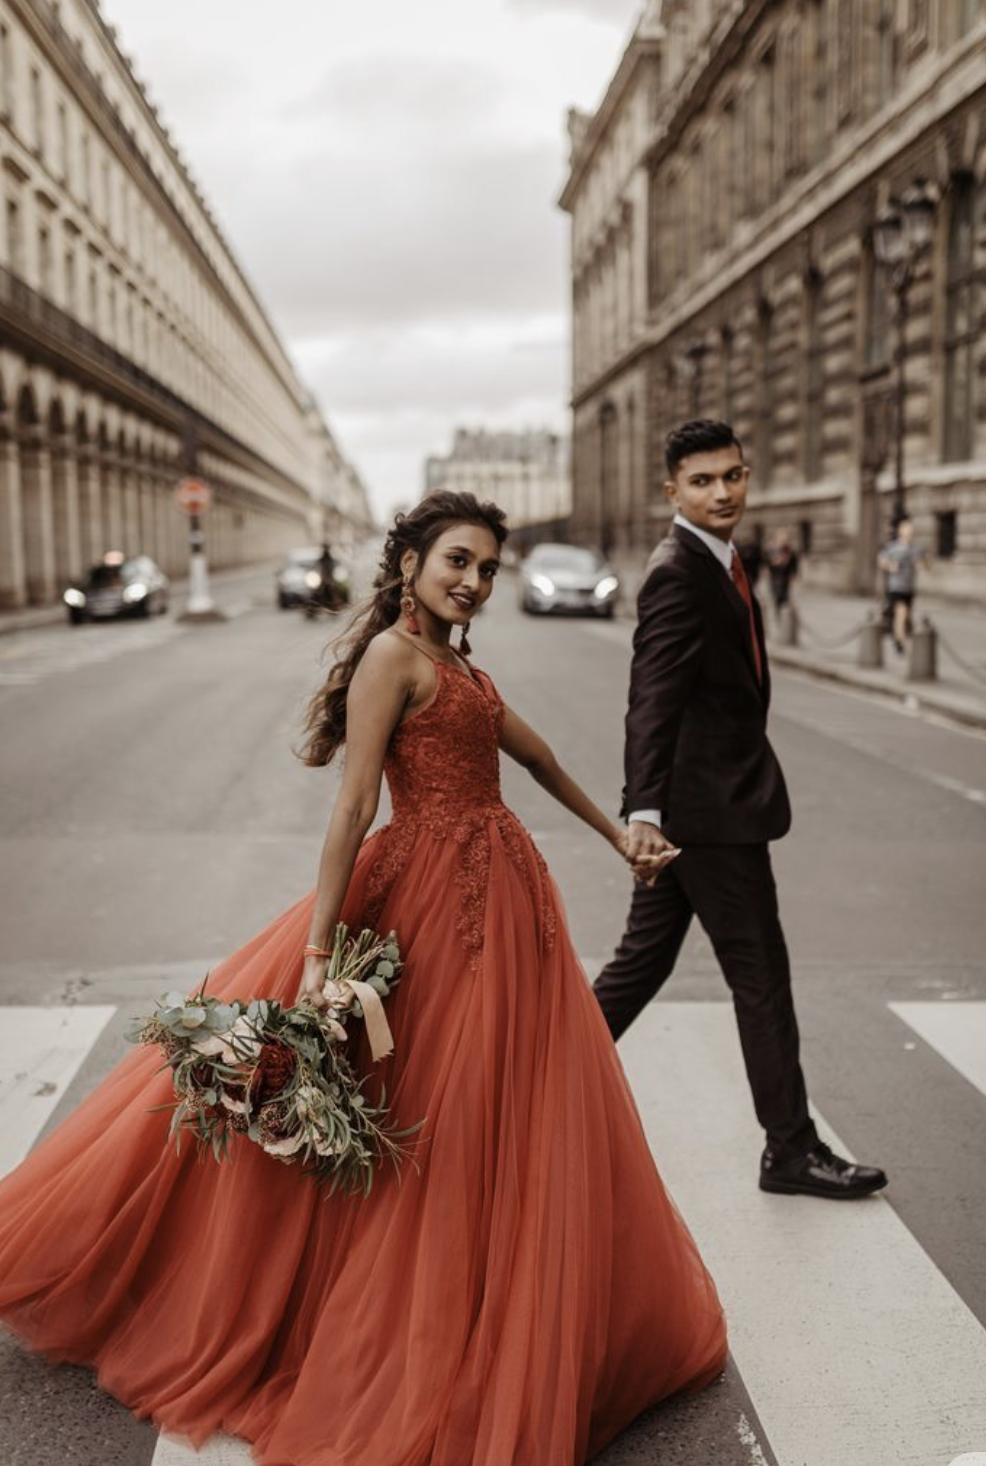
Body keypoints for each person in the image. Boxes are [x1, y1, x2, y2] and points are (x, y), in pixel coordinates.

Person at [0, 492, 727, 1466]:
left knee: (494, 1100)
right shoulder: (393, 656)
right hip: (424, 897)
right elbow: (351, 809)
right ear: (410, 563)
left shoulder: (461, 663)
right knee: (427, 1100)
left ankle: (487, 1291)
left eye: (486, 567)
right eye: (457, 560)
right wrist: (315, 956)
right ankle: (423, 1313)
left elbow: (538, 757)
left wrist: (618, 835)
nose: (473, 580)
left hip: (505, 899)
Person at [593, 420, 888, 1202]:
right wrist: (645, 810)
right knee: (761, 977)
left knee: (638, 967)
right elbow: (651, 700)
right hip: (708, 818)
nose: (721, 492)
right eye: (702, 481)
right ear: (672, 491)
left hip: (699, 809)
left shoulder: (718, 558)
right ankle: (790, 1149)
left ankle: (519, 1088)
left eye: (732, 475)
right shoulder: (678, 571)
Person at [878, 516, 927, 653]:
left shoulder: (915, 549)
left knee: (906, 616)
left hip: (909, 587)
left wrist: (922, 565)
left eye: (911, 529)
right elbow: (881, 560)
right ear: (900, 530)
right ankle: (898, 641)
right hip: (896, 587)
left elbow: (921, 564)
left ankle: (898, 633)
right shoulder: (893, 547)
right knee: (901, 612)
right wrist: (890, 566)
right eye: (906, 528)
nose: (910, 531)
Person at [765, 527, 799, 614]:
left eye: (785, 538)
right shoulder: (773, 551)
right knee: (776, 596)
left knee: (785, 597)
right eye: (781, 538)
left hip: (785, 578)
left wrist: (794, 575)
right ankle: (778, 612)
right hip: (775, 578)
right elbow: (768, 563)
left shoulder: (790, 551)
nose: (783, 540)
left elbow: (794, 564)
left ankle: (783, 613)